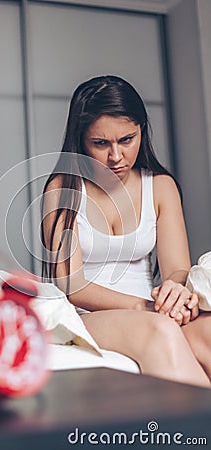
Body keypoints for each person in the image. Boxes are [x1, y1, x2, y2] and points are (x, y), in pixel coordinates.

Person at [41, 75, 211, 388]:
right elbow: (72, 285)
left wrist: (173, 292)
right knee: (160, 331)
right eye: (101, 143)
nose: (116, 156)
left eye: (126, 140)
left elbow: (176, 269)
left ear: (141, 131)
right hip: (88, 315)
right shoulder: (63, 188)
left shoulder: (160, 186)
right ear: (81, 140)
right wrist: (143, 306)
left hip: (153, 307)